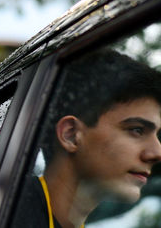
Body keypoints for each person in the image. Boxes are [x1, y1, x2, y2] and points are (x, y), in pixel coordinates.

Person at [14, 49, 161, 228]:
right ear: (71, 135)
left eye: (157, 134)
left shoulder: (7, 209)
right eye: (137, 130)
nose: (157, 153)